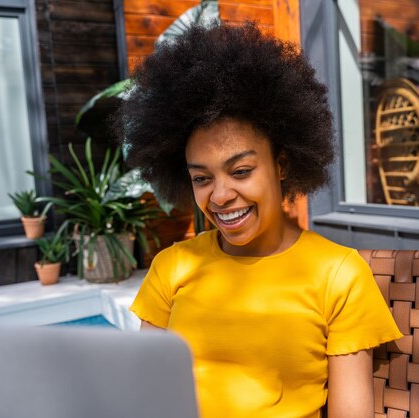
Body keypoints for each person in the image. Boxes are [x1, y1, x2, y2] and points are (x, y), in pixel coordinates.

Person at [117, 22, 402, 418]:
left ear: (281, 164)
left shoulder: (339, 275)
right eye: (202, 178)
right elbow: (147, 394)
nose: (219, 196)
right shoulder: (172, 266)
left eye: (241, 171)